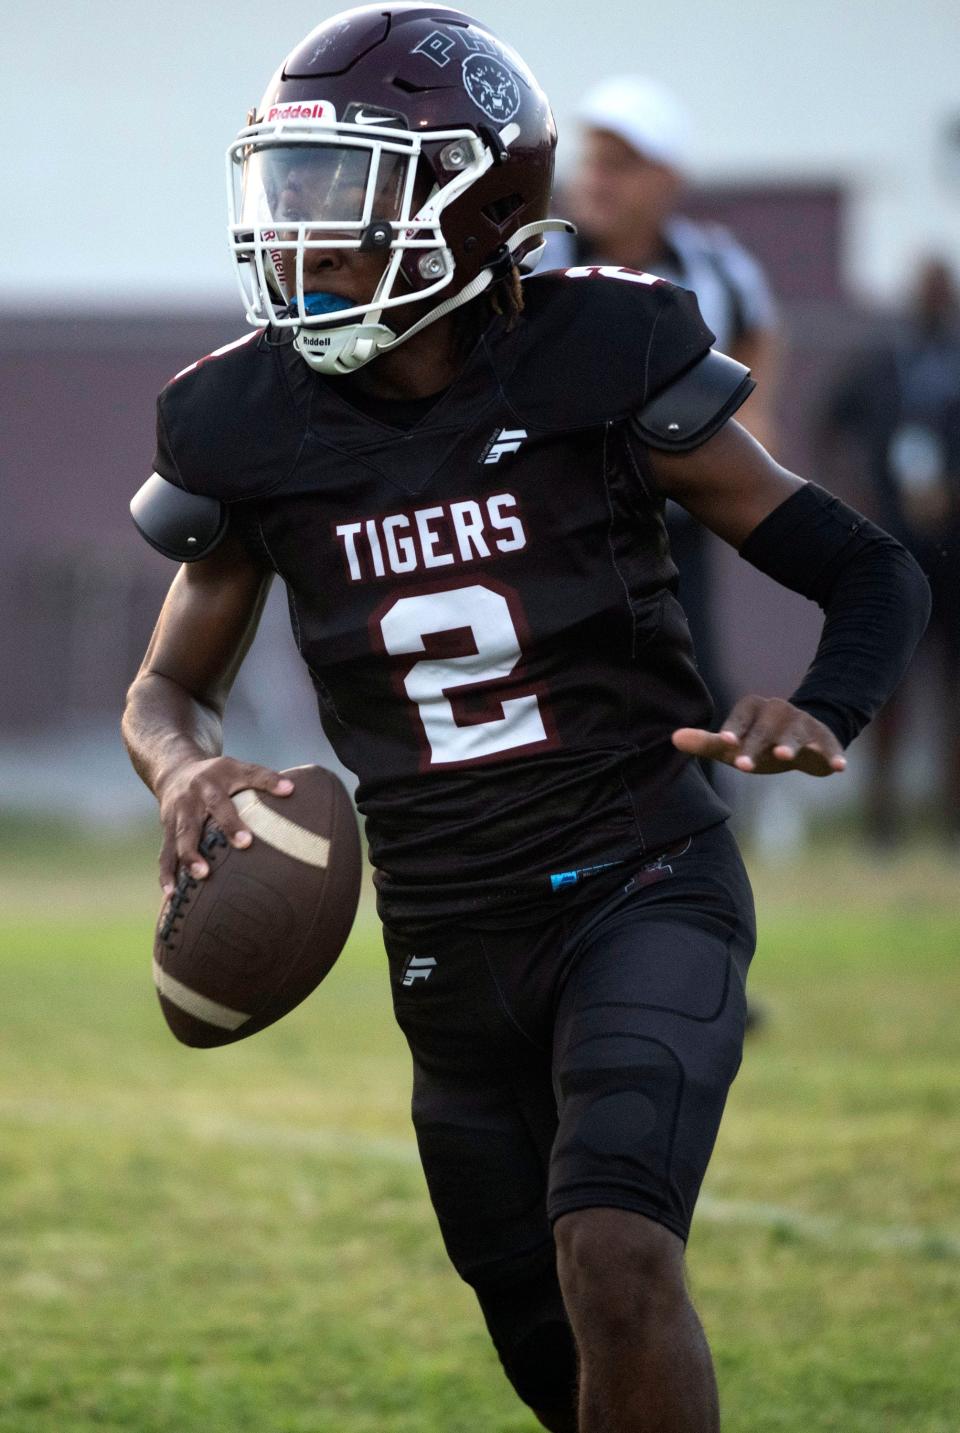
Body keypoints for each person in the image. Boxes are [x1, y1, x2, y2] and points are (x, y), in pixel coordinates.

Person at [122, 8, 929, 1430]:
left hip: (641, 881)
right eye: (288, 190)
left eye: (345, 191)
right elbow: (165, 685)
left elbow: (868, 568)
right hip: (444, 934)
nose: (301, 232)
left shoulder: (600, 354)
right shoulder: (243, 421)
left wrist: (823, 705)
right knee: (549, 1341)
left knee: (617, 1258)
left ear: (477, 203)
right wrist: (184, 767)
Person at [543, 75, 781, 718]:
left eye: (622, 165)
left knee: (686, 669)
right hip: (558, 518)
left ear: (669, 181)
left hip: (674, 517)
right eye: (594, 161)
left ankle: (696, 806)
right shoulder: (538, 265)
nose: (599, 179)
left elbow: (758, 332)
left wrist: (752, 420)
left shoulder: (717, 266)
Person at [823, 256, 960, 845]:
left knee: (952, 686)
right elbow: (829, 427)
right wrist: (860, 498)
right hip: (895, 546)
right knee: (890, 682)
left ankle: (950, 815)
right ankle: (882, 820)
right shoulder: (880, 364)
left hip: (958, 551)